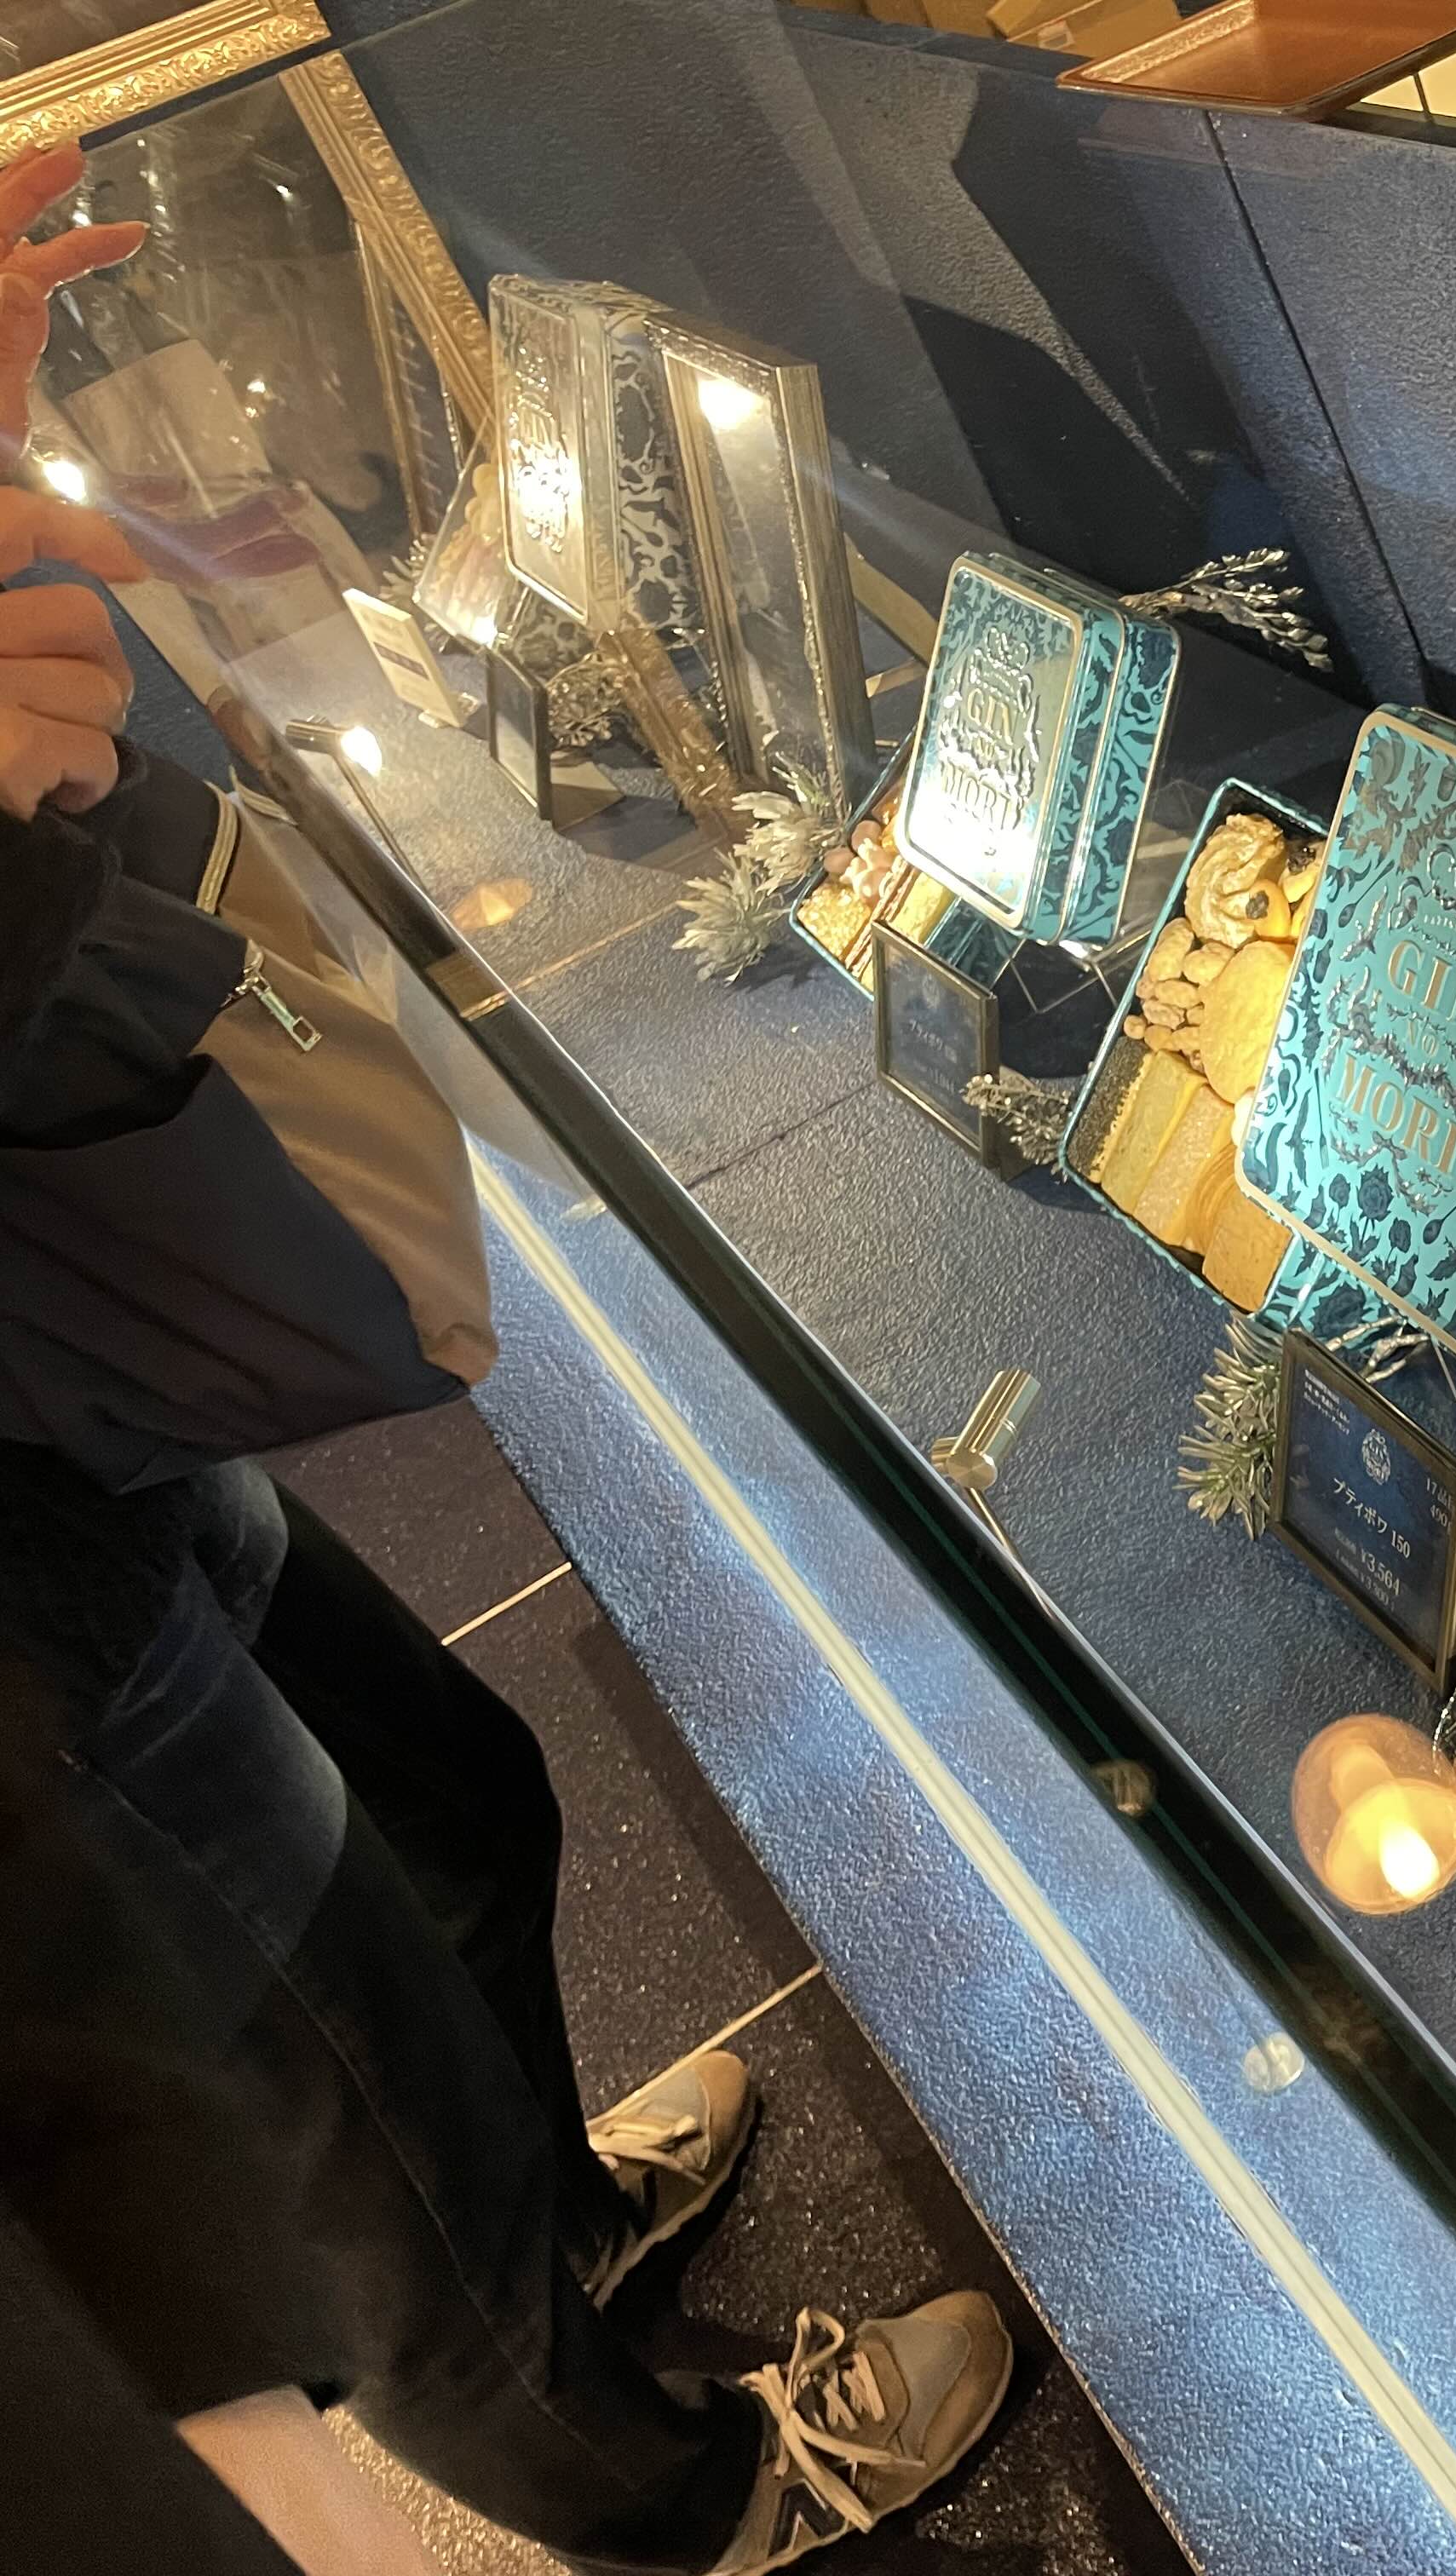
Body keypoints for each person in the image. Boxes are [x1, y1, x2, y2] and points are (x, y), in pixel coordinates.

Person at [0, 136, 1005, 2571]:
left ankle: (546, 2231)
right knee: (341, 2109)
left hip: (59, 1385)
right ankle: (672, 2499)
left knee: (456, 1801)